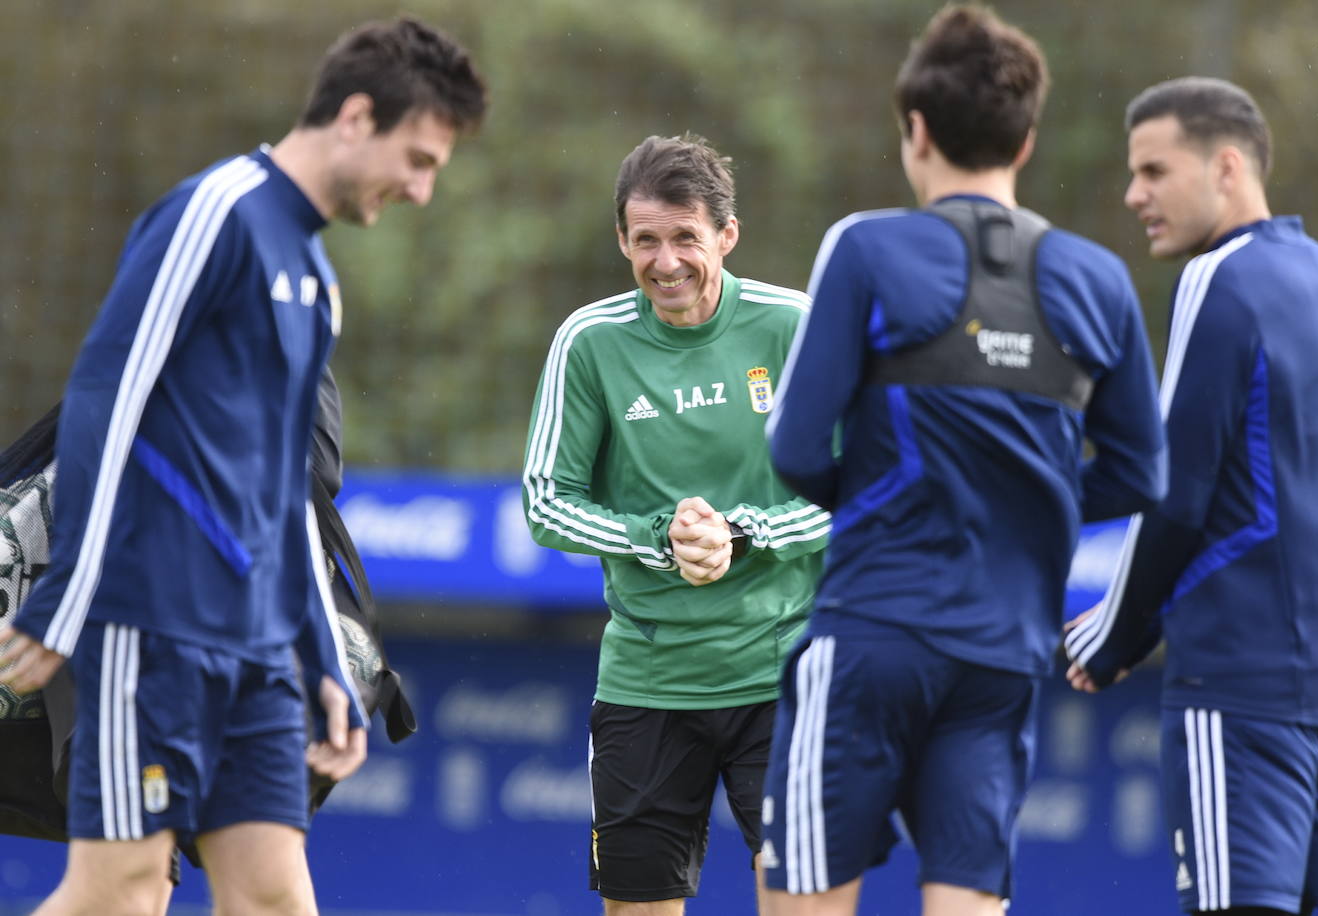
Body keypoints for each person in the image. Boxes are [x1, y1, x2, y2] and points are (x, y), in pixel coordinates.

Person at [0, 17, 484, 915]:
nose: (420, 190)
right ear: (356, 117)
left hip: (260, 654)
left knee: (273, 901)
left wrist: (323, 663)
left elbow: (284, 498)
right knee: (118, 894)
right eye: (416, 160)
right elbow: (106, 399)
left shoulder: (313, 275)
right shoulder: (214, 211)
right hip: (150, 633)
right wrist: (64, 598)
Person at [758, 7, 1167, 916]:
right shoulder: (1098, 277)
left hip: (872, 638)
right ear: (1024, 145)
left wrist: (875, 500)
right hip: (1003, 654)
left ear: (916, 130)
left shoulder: (866, 246)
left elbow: (791, 447)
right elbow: (1143, 474)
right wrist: (1034, 501)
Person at [1064, 77, 1318, 916]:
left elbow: (1177, 489)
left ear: (1227, 165)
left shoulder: (1219, 279)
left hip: (1238, 688)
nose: (1134, 195)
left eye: (1155, 171)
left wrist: (1115, 634)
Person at [521, 133, 830, 914]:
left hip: (785, 675)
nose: (666, 262)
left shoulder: (793, 326)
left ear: (727, 234)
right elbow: (544, 501)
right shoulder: (588, 342)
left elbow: (860, 489)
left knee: (806, 904)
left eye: (686, 236)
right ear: (622, 239)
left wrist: (745, 531)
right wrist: (660, 537)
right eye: (646, 239)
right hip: (647, 684)